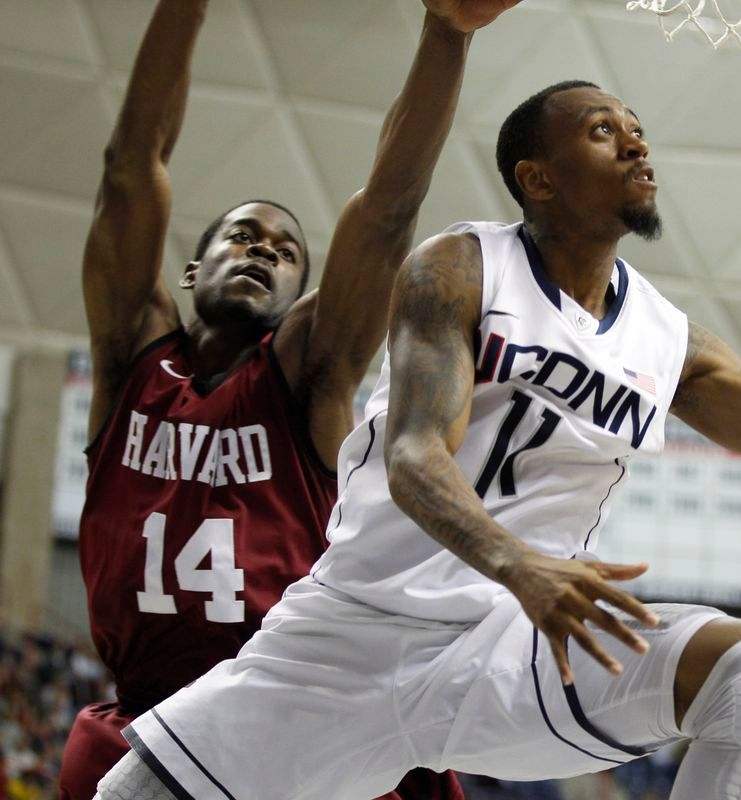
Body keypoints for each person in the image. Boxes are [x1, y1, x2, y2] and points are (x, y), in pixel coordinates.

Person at [97, 80, 741, 800]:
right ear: (536, 177)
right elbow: (415, 454)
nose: (636, 143)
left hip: (511, 649)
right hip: (350, 640)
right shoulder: (463, 267)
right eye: (602, 130)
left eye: (637, 129)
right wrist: (520, 563)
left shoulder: (664, 338)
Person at [58, 0, 519, 797]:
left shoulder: (309, 373)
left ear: (299, 297)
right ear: (192, 273)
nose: (263, 252)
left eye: (284, 253)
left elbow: (385, 217)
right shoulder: (128, 356)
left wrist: (447, 34)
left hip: (292, 713)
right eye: (243, 237)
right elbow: (131, 167)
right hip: (146, 715)